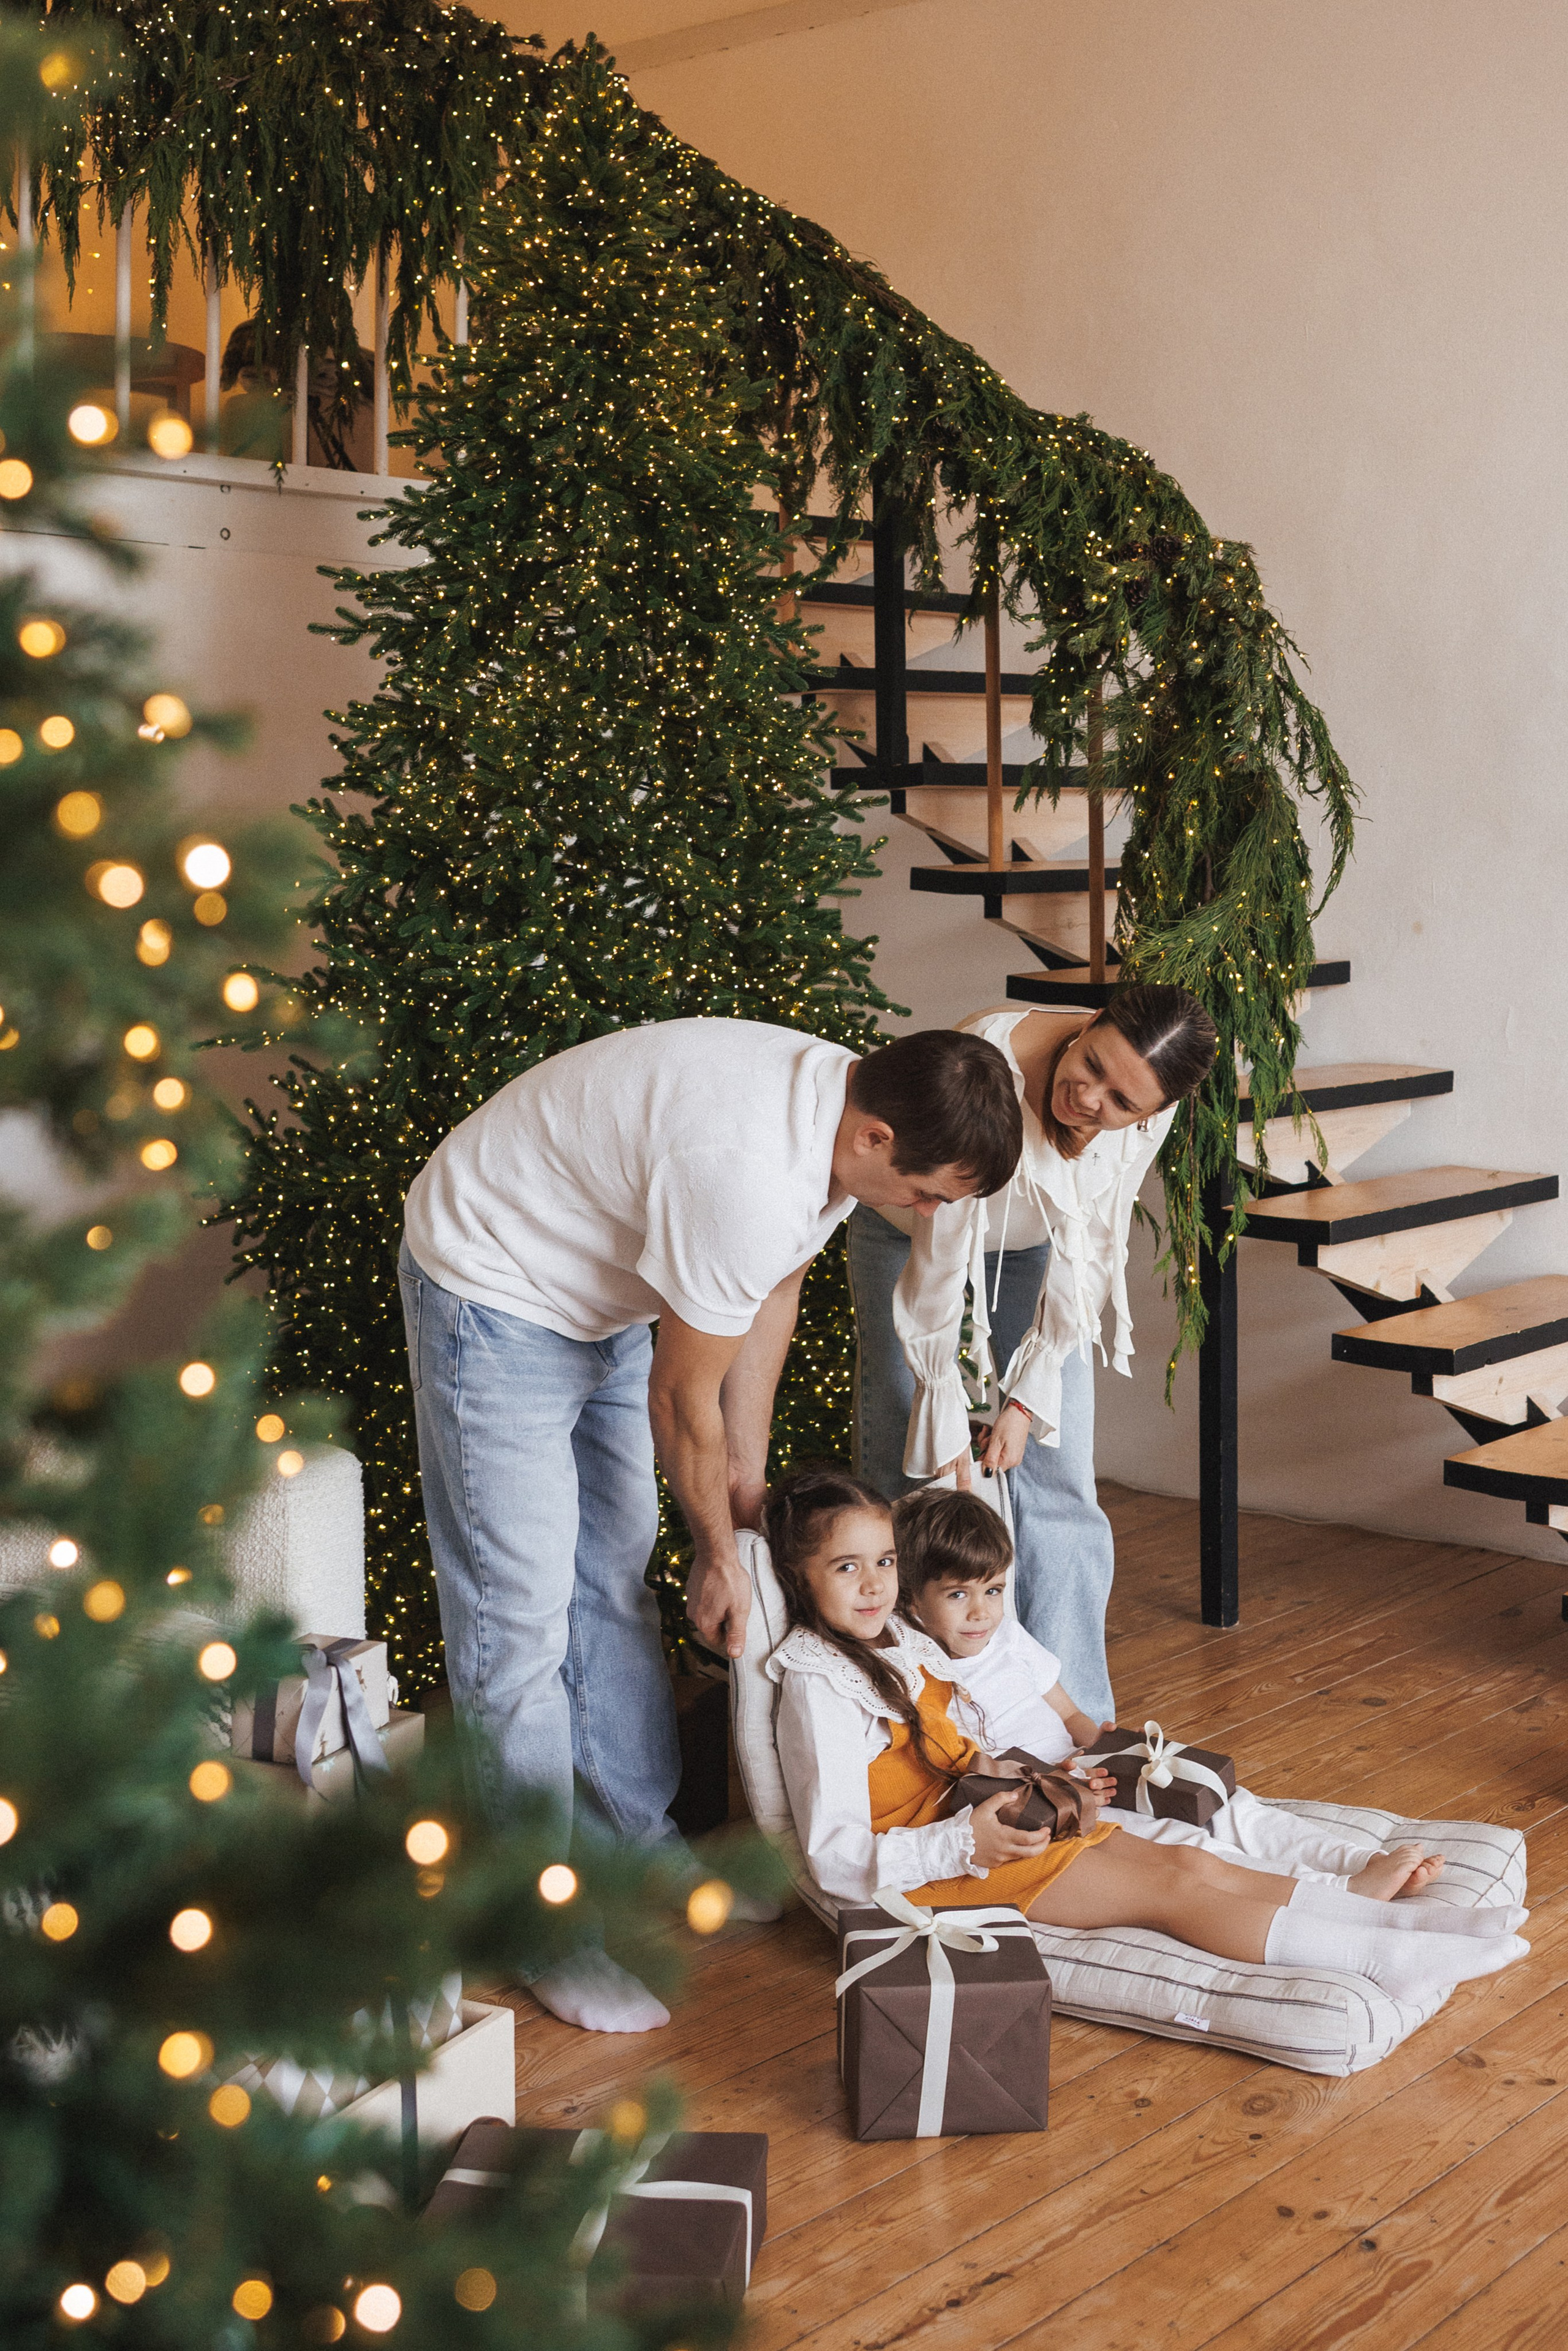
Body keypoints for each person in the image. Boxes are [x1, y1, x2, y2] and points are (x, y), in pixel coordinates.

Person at [398, 1017, 1022, 2033]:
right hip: (493, 1287)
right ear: (874, 1136)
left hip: (600, 1291)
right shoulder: (747, 1169)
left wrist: (742, 1480)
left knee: (610, 1577)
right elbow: (680, 1396)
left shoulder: (841, 1128)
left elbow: (772, 1294)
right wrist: (719, 1551)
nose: (926, 1213)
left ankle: (637, 1845)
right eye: (926, 1192)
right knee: (516, 1620)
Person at [766, 1469, 1527, 2004]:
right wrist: (966, 1843)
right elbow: (834, 1859)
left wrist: (1033, 1783)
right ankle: (1385, 1956)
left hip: (998, 1822)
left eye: (884, 1561)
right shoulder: (815, 1687)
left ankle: (1406, 1921)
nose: (874, 1584)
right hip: (943, 1866)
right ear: (801, 1578)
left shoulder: (898, 1643)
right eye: (846, 1567)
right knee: (1172, 1890)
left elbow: (958, 1752)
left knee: (1186, 1857)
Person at [847, 986, 1219, 1723]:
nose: (1089, 1100)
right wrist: (944, 1400)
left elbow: (1096, 1237)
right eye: (1092, 1065)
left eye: (1121, 1103)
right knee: (910, 1459)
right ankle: (920, 1713)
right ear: (1089, 1022)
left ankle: (1079, 1719)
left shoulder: (1152, 1106)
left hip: (1032, 1248)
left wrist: (1025, 1397)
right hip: (910, 1227)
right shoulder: (990, 1055)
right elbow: (942, 1254)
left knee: (1059, 1471)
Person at [890, 1486, 1480, 1889]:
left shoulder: (1007, 1638)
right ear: (912, 1598)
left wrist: (1106, 1746)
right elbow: (970, 1773)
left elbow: (1067, 1711)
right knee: (1177, 1840)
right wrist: (1067, 1781)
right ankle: (1336, 1891)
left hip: (1089, 1768)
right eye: (958, 1595)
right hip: (1053, 1800)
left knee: (1225, 1801)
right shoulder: (918, 1674)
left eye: (993, 1591)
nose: (981, 1613)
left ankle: (1362, 1860)